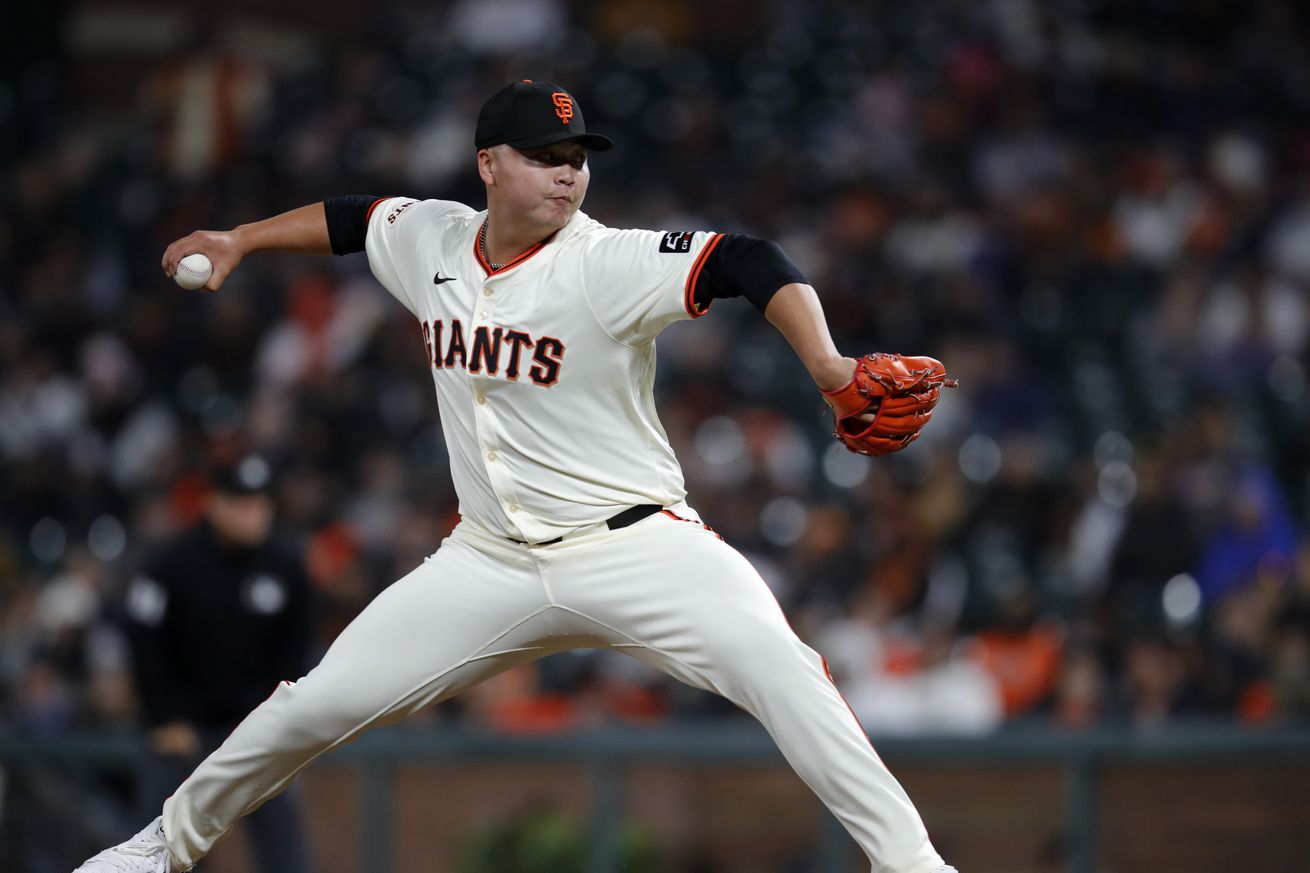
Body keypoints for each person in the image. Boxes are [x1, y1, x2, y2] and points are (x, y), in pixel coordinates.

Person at [75, 80, 958, 873]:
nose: (568, 175)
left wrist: (829, 364)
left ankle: (913, 864)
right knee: (312, 704)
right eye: (544, 158)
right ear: (487, 165)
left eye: (576, 159)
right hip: (488, 561)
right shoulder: (434, 238)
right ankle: (159, 848)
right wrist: (240, 239)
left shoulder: (605, 260)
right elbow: (353, 217)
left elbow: (748, 258)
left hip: (637, 543)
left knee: (783, 665)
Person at [123, 453, 314, 873]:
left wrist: (277, 718)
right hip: (183, 734)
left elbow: (297, 650)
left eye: (262, 503)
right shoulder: (171, 564)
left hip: (257, 731)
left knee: (285, 854)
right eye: (242, 503)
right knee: (163, 850)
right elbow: (143, 641)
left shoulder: (284, 567)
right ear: (215, 504)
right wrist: (164, 717)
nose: (254, 514)